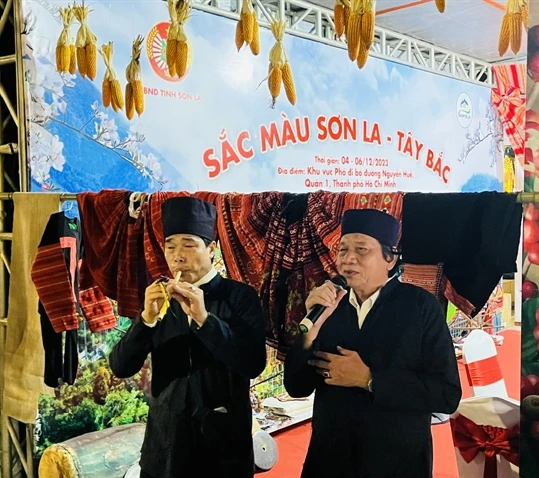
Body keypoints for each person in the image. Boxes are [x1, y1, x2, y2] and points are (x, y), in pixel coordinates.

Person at [283, 208, 462, 478]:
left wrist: (369, 379)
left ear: (389, 259)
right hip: (330, 460)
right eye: (342, 250)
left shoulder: (419, 306)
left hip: (396, 462)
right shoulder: (328, 306)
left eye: (362, 250)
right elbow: (296, 387)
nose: (348, 259)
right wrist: (309, 333)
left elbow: (446, 395)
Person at [109, 196, 266, 478]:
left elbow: (252, 363)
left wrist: (205, 320)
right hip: (166, 446)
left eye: (189, 245)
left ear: (212, 248)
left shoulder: (239, 296)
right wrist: (146, 320)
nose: (177, 255)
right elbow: (121, 366)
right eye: (170, 247)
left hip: (222, 449)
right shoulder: (159, 296)